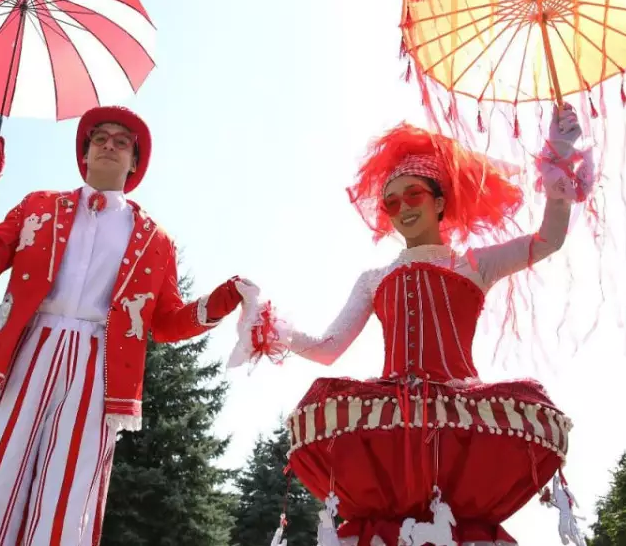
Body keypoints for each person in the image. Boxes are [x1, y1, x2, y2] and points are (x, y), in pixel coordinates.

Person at [229, 104, 593, 546]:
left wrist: (559, 153)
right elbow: (328, 347)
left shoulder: (474, 264)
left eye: (414, 195)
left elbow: (547, 240)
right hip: (393, 427)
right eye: (392, 201)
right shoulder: (374, 279)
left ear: (440, 202)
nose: (402, 208)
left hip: (460, 416)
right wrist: (266, 323)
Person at [0, 105, 246, 546]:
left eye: (121, 141)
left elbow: (162, 323)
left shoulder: (155, 238)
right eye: (99, 138)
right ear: (83, 154)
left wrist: (219, 303)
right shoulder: (38, 205)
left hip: (100, 365)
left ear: (134, 162)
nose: (108, 144)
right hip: (25, 351)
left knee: (69, 499)